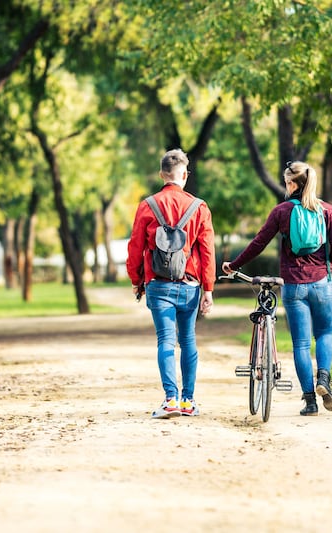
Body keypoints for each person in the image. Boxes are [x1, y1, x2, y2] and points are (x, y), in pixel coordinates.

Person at [222, 160, 332, 416]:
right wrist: (322, 266)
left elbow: (258, 243)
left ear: (291, 183)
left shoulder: (281, 212)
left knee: (300, 344)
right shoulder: (327, 211)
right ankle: (323, 379)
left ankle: (310, 401)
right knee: (324, 334)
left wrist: (233, 265)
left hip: (294, 285)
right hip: (322, 283)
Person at [127, 149, 216, 419]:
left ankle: (170, 400)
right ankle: (188, 401)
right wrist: (208, 289)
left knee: (165, 340)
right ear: (185, 175)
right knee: (188, 341)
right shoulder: (199, 207)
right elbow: (207, 250)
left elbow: (135, 247)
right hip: (190, 284)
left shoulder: (147, 205)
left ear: (161, 175)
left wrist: (136, 280)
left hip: (158, 283)